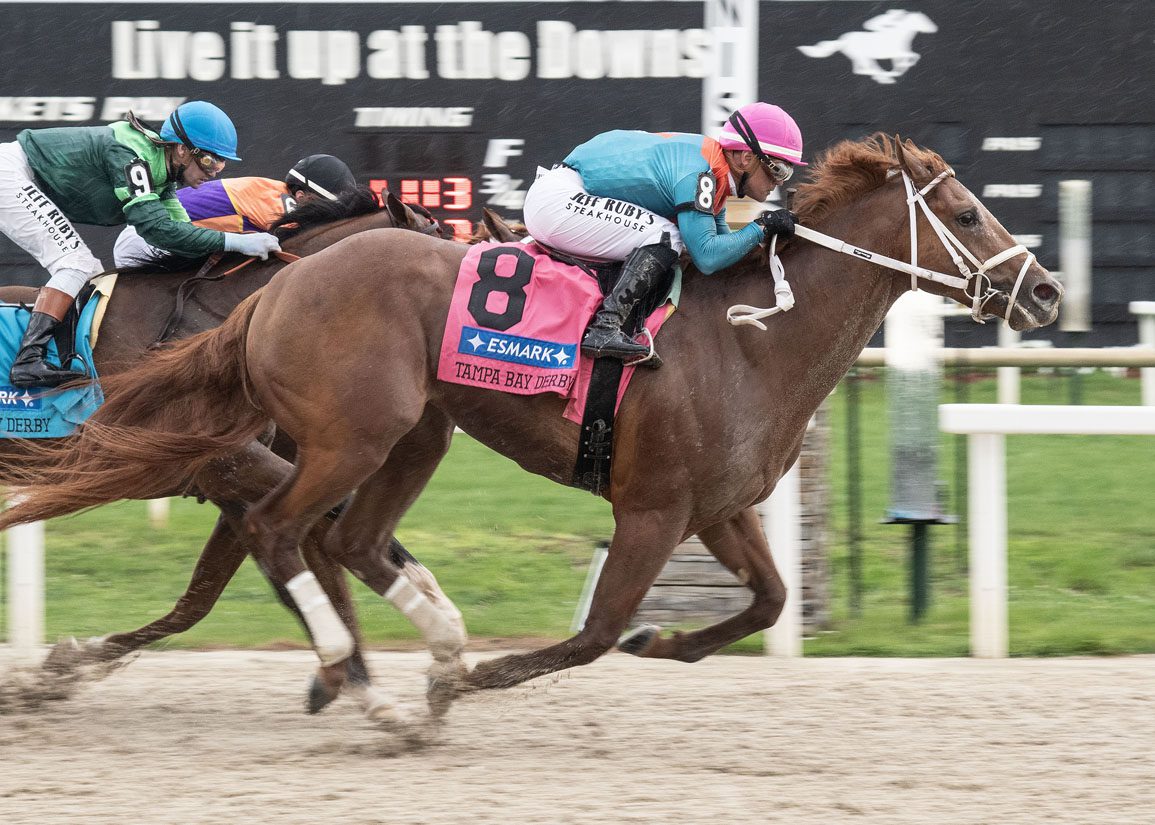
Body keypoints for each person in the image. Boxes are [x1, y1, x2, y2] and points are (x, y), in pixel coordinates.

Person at [0, 100, 281, 388]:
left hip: (20, 176)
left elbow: (183, 235)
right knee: (76, 264)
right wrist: (235, 241)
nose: (215, 171)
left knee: (90, 271)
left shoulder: (162, 178)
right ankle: (27, 361)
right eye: (210, 160)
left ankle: (53, 355)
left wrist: (232, 250)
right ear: (182, 150)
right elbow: (156, 230)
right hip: (10, 174)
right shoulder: (132, 158)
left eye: (222, 163)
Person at [522, 101, 804, 365]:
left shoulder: (713, 172)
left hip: (562, 195)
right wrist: (763, 226)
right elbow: (706, 257)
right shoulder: (700, 174)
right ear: (745, 158)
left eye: (786, 173)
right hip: (559, 200)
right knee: (667, 236)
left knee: (666, 235)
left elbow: (725, 248)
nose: (777, 182)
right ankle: (604, 327)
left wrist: (762, 235)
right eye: (777, 169)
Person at [112, 153, 359, 266]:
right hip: (146, 240)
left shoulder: (273, 191)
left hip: (164, 235)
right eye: (325, 207)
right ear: (302, 197)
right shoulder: (276, 203)